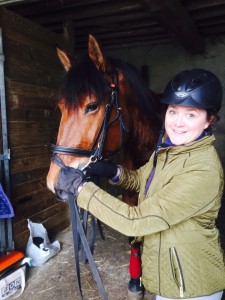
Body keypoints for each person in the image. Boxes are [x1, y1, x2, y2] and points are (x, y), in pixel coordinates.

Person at [55, 69, 225, 300]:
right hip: (173, 277)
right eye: (173, 111)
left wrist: (81, 189)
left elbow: (135, 222)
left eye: (191, 115)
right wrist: (111, 171)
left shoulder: (202, 170)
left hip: (193, 287)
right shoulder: (169, 151)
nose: (177, 123)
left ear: (209, 121)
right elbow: (140, 179)